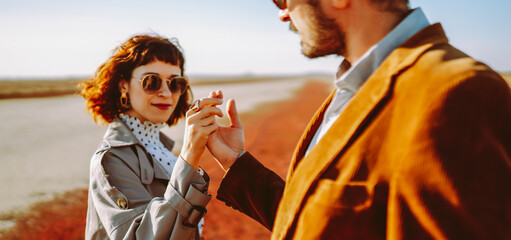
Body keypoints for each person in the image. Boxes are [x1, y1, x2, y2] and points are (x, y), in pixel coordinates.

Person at [206, 0, 511, 239]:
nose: (283, 15)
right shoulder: (354, 88)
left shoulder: (453, 93)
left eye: (281, 0)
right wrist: (237, 163)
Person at [80, 34, 223, 239]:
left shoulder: (160, 147)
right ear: (124, 86)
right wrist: (191, 153)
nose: (166, 92)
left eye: (175, 83)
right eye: (151, 81)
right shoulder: (111, 159)